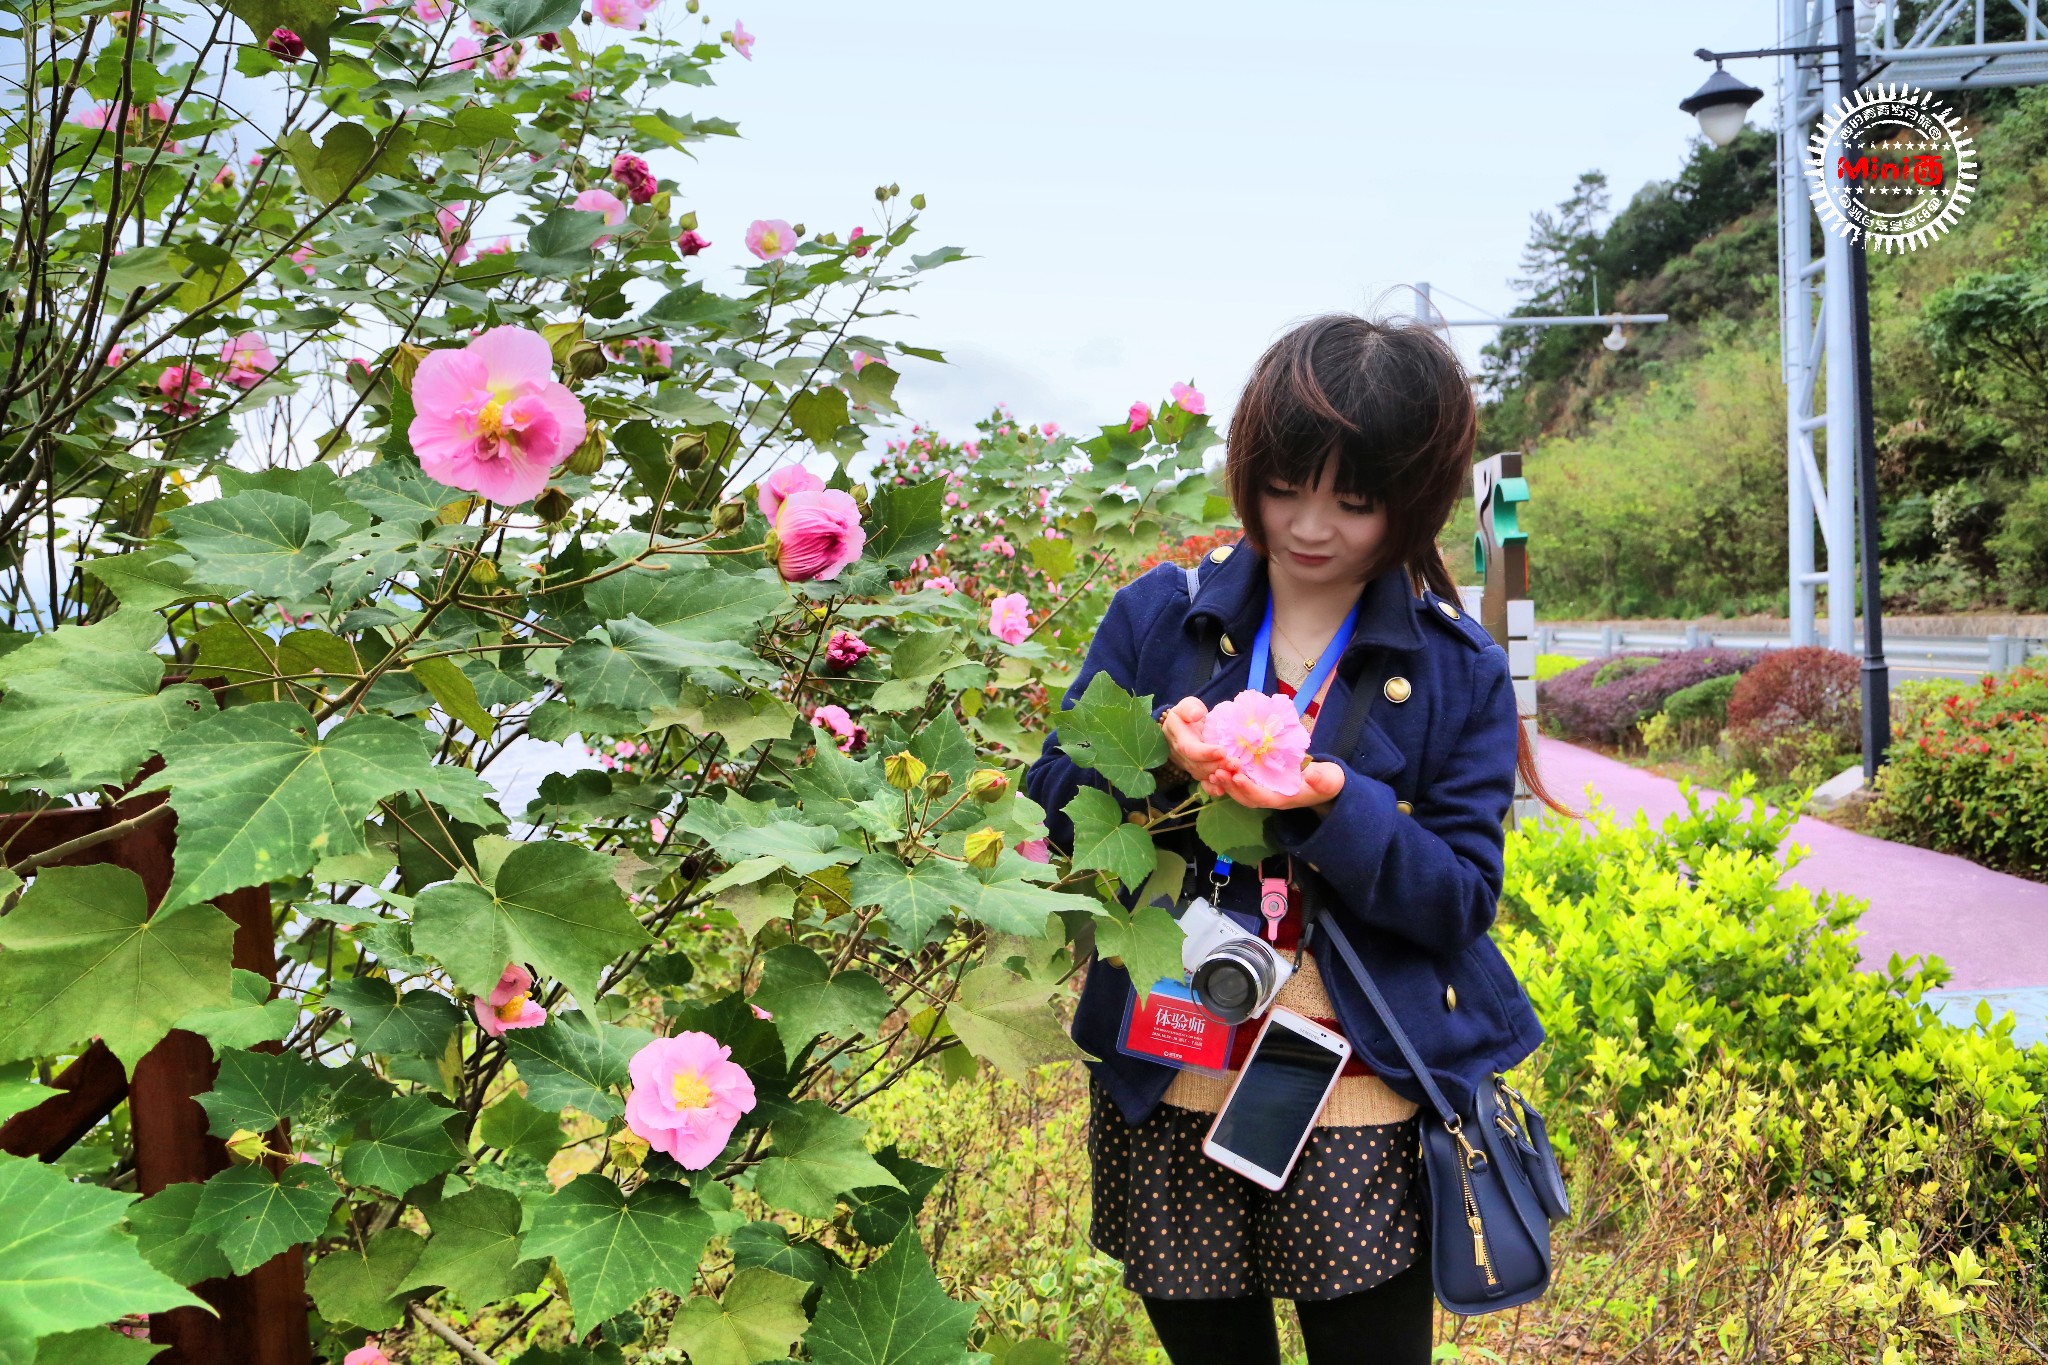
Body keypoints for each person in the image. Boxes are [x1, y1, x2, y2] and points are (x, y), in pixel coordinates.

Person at [1022, 312, 1578, 1365]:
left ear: (1407, 504)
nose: (1311, 525)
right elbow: (1050, 799)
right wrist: (1152, 771)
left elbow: (1461, 899)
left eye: (1354, 502)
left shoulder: (1456, 668)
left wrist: (1329, 807)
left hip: (1357, 1091)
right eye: (1284, 487)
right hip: (1167, 1073)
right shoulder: (1161, 617)